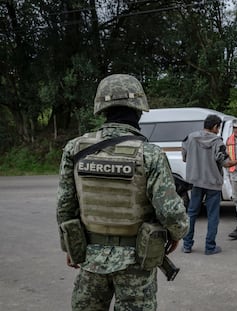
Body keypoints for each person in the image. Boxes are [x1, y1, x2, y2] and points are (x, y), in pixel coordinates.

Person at [56, 74, 189, 311]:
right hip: (136, 261)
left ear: (101, 108)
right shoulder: (150, 154)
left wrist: (70, 246)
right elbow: (170, 212)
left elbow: (65, 206)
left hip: (90, 259)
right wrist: (178, 233)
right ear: (139, 109)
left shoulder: (75, 149)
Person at [181, 114, 237, 255]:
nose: (218, 130)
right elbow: (226, 163)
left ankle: (187, 245)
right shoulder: (217, 142)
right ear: (215, 127)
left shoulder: (189, 138)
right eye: (218, 127)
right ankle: (210, 247)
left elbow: (184, 157)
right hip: (213, 184)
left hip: (196, 182)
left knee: (191, 213)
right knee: (213, 215)